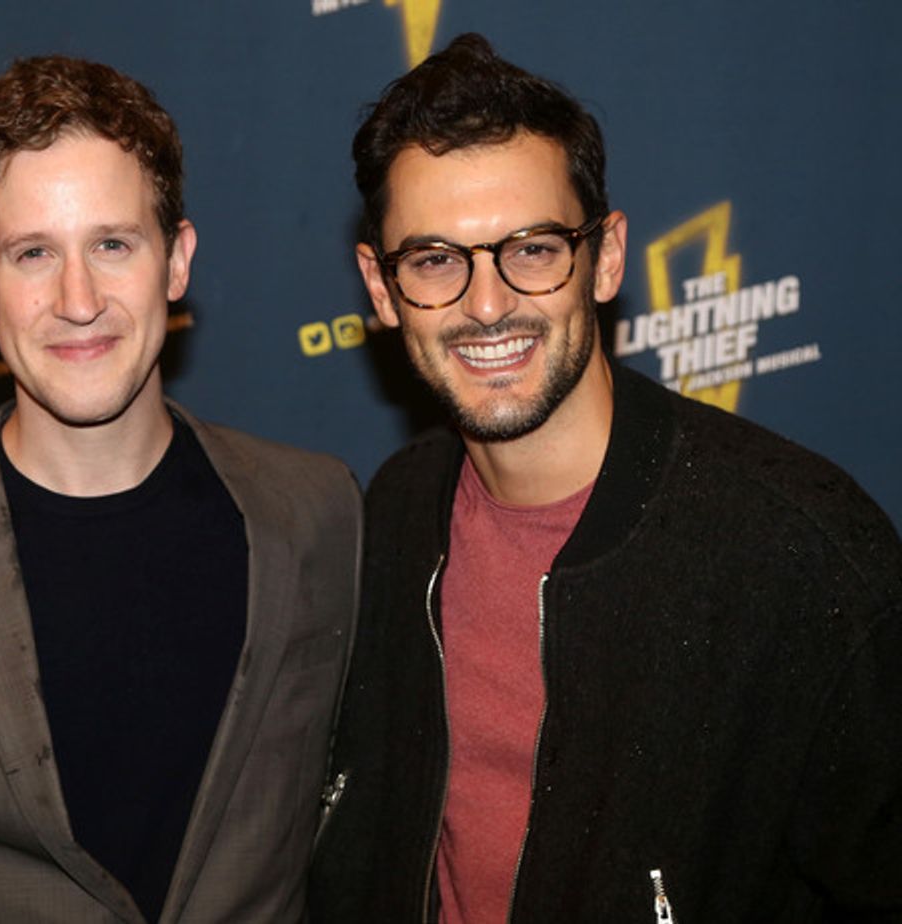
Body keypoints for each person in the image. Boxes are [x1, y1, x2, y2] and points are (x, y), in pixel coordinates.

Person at [309, 32, 902, 923]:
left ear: (608, 257)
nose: (487, 302)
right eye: (435, 260)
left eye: (534, 248)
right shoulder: (392, 515)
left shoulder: (802, 558)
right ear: (381, 289)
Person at [0, 55, 360, 924]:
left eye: (112, 244)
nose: (78, 301)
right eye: (33, 253)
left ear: (177, 261)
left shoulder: (318, 511)